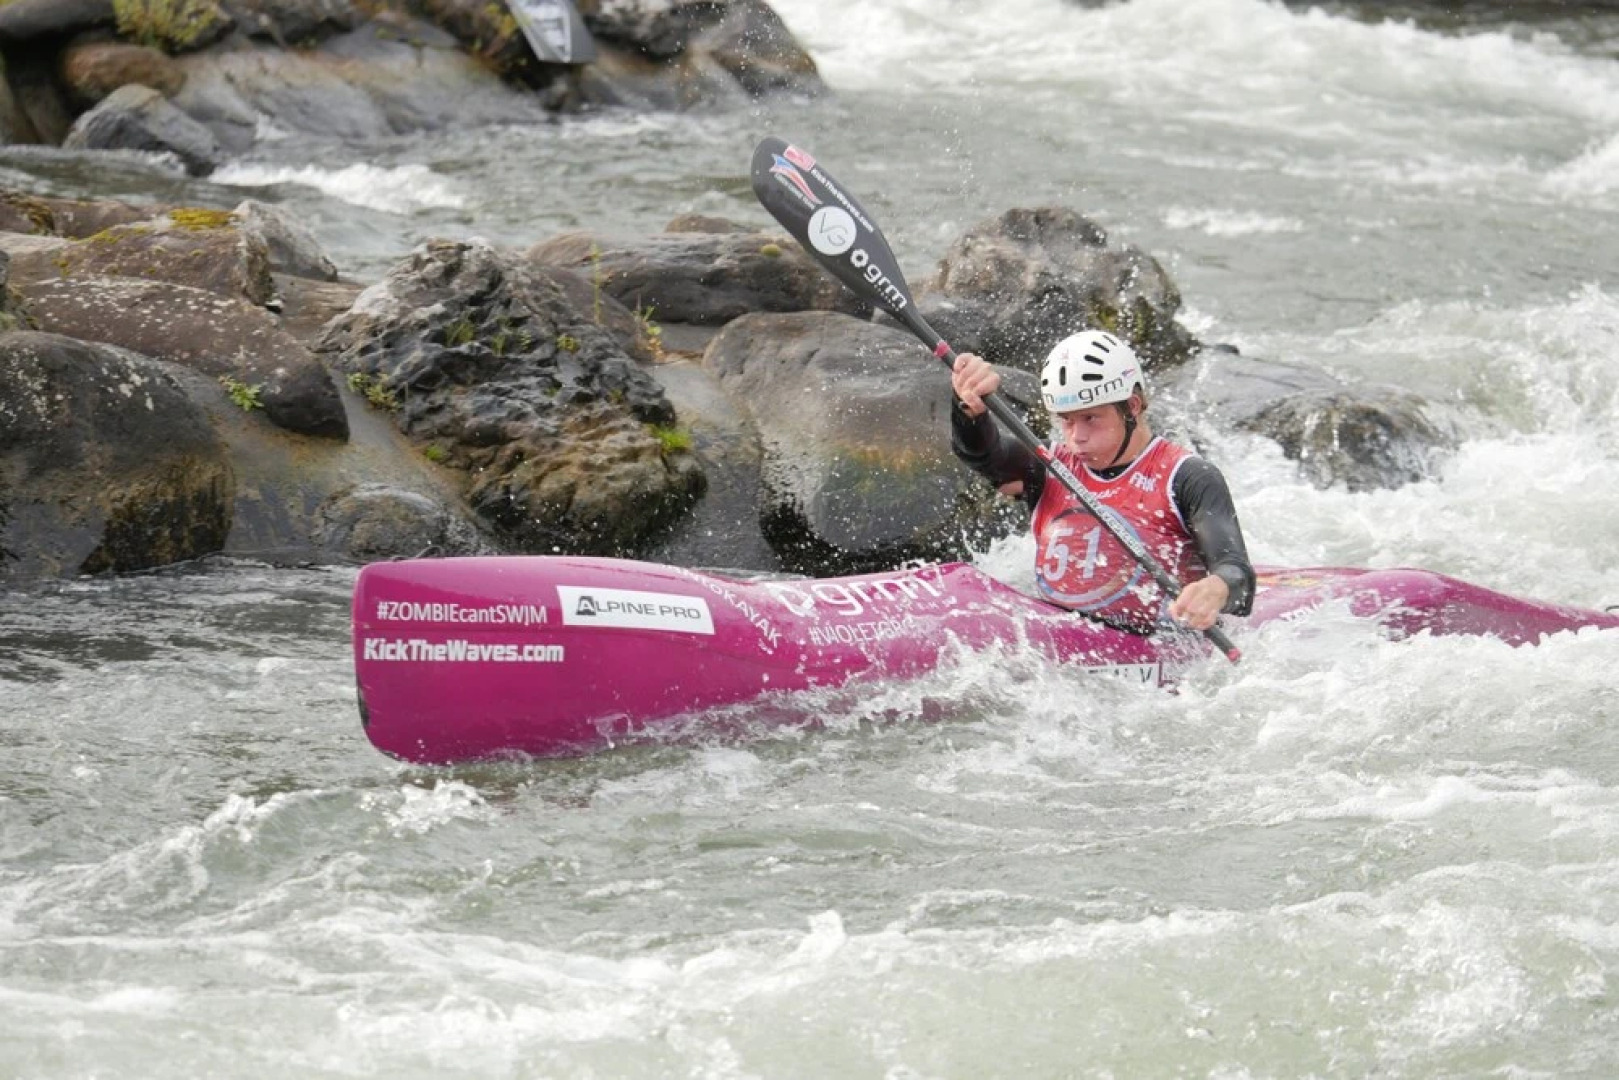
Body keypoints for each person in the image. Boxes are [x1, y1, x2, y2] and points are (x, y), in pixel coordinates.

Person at [950, 329, 1254, 636]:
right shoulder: (1049, 466)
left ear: (1132, 406)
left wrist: (1216, 588)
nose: (1076, 437)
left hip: (1157, 646)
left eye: (1091, 418)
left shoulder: (1188, 477)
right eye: (1066, 420)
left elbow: (1237, 574)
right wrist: (969, 411)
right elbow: (983, 455)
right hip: (1060, 639)